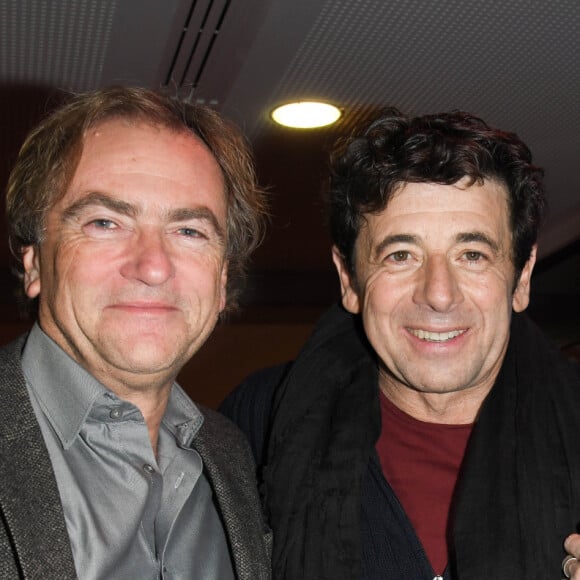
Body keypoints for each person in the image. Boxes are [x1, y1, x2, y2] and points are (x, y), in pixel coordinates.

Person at [220, 108, 580, 579]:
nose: (438, 293)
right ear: (349, 279)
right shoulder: (258, 421)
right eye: (401, 254)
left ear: (522, 277)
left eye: (471, 255)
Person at [0, 86, 271, 579]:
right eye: (106, 222)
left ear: (222, 280)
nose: (152, 266)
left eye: (189, 231)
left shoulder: (235, 456)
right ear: (35, 261)